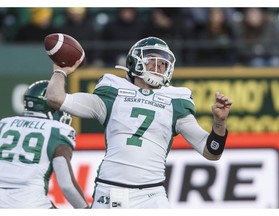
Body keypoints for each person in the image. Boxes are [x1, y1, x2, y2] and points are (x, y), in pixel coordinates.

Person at [46, 37, 232, 208]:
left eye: (163, 62)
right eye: (152, 58)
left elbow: (212, 152)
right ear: (134, 61)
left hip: (151, 195)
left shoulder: (176, 100)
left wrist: (219, 123)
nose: (158, 65)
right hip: (110, 191)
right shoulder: (113, 91)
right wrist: (60, 71)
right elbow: (55, 98)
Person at [0, 80, 89, 209]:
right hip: (30, 203)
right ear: (50, 105)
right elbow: (67, 185)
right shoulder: (58, 130)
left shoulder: (3, 124)